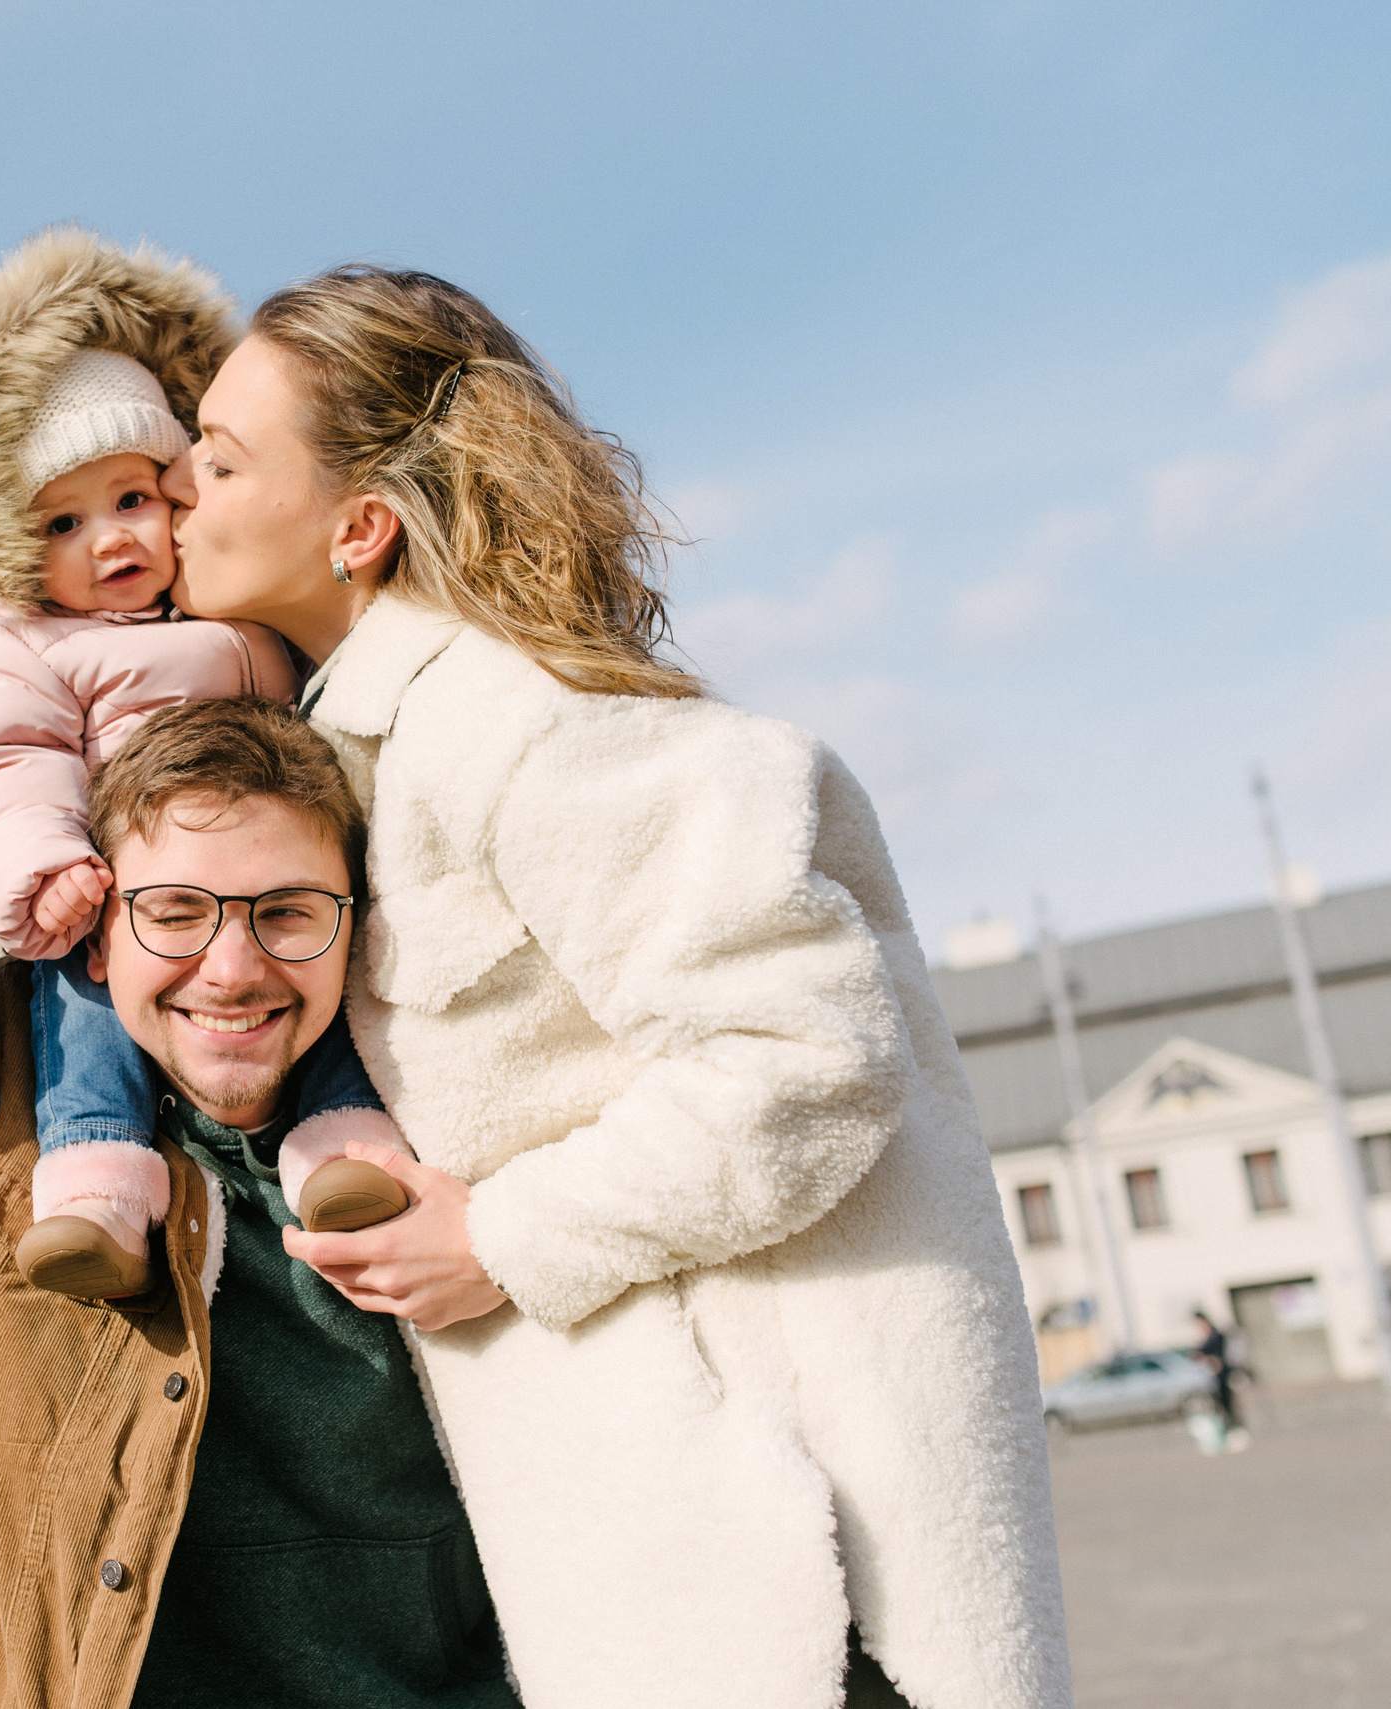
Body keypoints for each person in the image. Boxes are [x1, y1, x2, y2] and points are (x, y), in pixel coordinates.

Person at [153, 265, 1072, 1709]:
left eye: (218, 459)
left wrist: (508, 1236)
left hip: (797, 1561)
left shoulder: (509, 720)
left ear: (360, 526)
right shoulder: (384, 739)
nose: (174, 491)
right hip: (680, 1547)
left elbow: (808, 1053)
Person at [0, 696, 515, 1709]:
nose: (232, 967)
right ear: (92, 932)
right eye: (172, 909)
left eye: (288, 910)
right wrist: (55, 715)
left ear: (353, 926)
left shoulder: (457, 1085)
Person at [0, 228, 411, 1300]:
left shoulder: (221, 605)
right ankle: (93, 1192)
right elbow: (8, 762)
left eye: (133, 499)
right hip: (115, 894)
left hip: (265, 872)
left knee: (318, 988)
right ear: (6, 543)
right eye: (62, 522)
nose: (110, 540)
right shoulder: (19, 640)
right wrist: (44, 872)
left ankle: (345, 1155)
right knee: (83, 1026)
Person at [1192, 1309, 1243, 1433]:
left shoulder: (1215, 1336)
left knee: (1227, 1402)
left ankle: (1235, 1428)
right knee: (1217, 1403)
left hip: (1221, 1373)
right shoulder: (1205, 1337)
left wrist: (1208, 1358)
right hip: (1211, 1376)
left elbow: (1221, 1356)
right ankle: (1227, 1428)